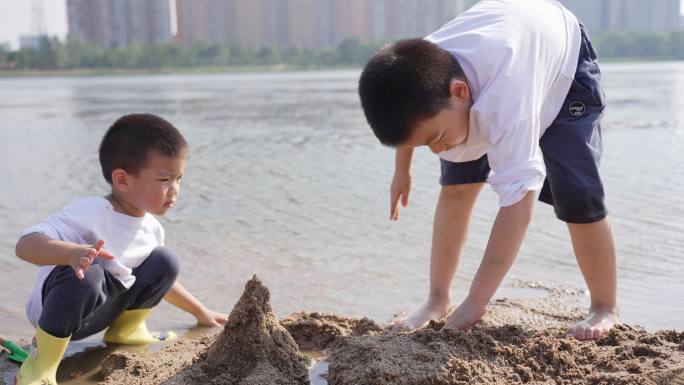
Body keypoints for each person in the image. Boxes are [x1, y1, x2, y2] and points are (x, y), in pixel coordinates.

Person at [358, 0, 619, 340]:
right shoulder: (422, 70)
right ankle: (436, 299)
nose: (437, 149)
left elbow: (517, 206)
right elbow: (407, 116)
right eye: (427, 145)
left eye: (436, 138)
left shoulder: (505, 102)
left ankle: (604, 307)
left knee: (576, 194)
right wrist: (402, 170)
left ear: (459, 92)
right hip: (496, 54)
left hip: (561, 62)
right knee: (456, 188)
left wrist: (476, 301)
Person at [15, 113, 228, 385]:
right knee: (89, 272)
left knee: (165, 261)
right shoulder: (91, 212)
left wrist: (200, 312)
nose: (174, 190)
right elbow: (25, 245)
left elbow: (163, 281)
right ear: (123, 180)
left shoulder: (151, 227)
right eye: (164, 180)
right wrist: (71, 253)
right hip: (57, 312)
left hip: (102, 310)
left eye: (179, 179)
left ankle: (125, 331)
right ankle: (40, 365)